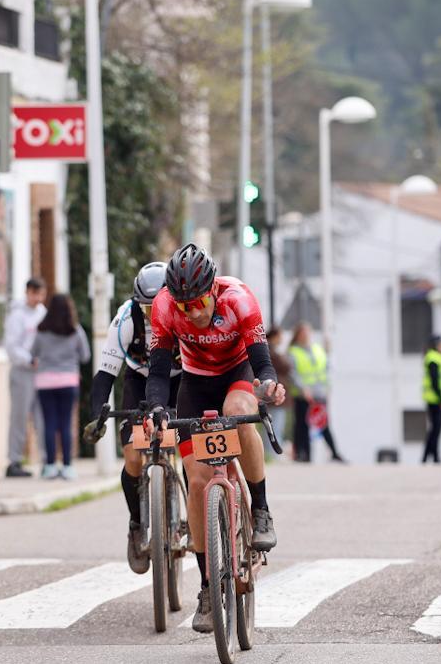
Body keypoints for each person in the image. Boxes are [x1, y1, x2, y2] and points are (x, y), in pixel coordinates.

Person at [144, 243, 286, 633]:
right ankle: (208, 588)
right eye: (184, 305)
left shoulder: (238, 298)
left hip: (235, 372)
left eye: (199, 303)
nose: (193, 312)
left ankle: (260, 508)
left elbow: (262, 360)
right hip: (195, 383)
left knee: (240, 415)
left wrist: (269, 384)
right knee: (197, 482)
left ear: (213, 290)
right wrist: (157, 408)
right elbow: (157, 374)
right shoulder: (164, 308)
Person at [83, 262, 181, 572]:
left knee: (191, 451)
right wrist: (96, 414)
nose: (152, 313)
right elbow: (105, 374)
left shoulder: (181, 314)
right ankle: (137, 522)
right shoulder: (125, 319)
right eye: (145, 306)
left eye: (157, 306)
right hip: (139, 381)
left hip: (179, 378)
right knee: (134, 459)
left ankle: (194, 514)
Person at [31, 294, 90, 480]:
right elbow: (85, 356)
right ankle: (67, 466)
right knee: (65, 425)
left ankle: (49, 466)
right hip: (68, 381)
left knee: (49, 424)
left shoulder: (41, 330)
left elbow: (33, 353)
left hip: (45, 382)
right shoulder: (75, 330)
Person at [4, 278, 48, 478]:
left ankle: (47, 460)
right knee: (19, 417)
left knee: (43, 417)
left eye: (42, 294)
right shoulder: (17, 316)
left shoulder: (42, 313)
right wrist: (29, 360)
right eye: (36, 294)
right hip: (23, 371)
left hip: (41, 372)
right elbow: (11, 346)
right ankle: (14, 461)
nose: (39, 298)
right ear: (28, 292)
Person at [288, 322, 345, 463]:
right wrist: (303, 389)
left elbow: (326, 369)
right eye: (303, 333)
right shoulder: (293, 352)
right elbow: (293, 373)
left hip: (320, 394)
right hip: (303, 395)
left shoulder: (317, 349)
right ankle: (304, 455)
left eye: (308, 332)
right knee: (302, 426)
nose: (306, 335)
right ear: (298, 335)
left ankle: (334, 453)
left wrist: (327, 388)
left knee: (323, 424)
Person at [421, 335, 441, 463]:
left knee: (435, 429)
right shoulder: (433, 358)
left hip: (439, 399)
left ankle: (428, 457)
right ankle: (434, 457)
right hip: (435, 400)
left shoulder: (440, 358)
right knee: (436, 429)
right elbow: (435, 382)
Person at [265, 326, 292, 461]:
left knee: (275, 424)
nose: (281, 339)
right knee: (275, 424)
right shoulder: (271, 351)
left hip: (273, 391)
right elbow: (286, 366)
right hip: (274, 392)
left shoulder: (270, 350)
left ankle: (273, 452)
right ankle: (274, 452)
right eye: (280, 336)